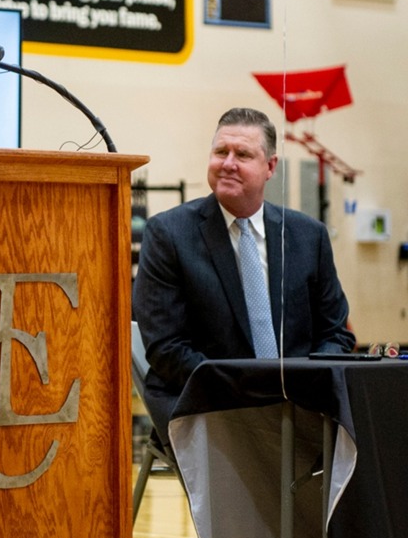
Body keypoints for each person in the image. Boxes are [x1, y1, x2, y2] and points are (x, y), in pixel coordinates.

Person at [132, 107, 355, 437]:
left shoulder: (309, 236)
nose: (228, 163)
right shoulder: (169, 234)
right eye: (221, 152)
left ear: (270, 167)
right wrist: (251, 392)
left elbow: (336, 333)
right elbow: (167, 349)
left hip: (300, 404)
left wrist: (306, 383)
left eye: (243, 154)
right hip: (208, 404)